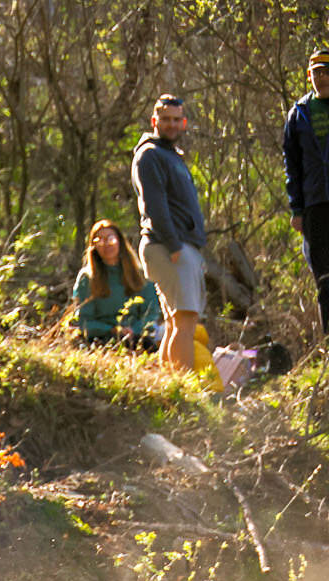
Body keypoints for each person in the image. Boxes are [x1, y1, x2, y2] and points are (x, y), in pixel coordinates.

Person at [133, 94, 208, 374]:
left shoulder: (170, 155)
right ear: (154, 121)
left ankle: (169, 383)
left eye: (177, 119)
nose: (172, 124)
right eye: (166, 119)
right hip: (168, 245)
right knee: (186, 322)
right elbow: (154, 205)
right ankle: (184, 388)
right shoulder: (150, 155)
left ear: (184, 122)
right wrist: (174, 245)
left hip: (176, 245)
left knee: (176, 322)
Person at [283, 50, 329, 333]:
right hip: (315, 205)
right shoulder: (298, 114)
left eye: (326, 71)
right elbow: (292, 165)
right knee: (324, 277)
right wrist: (296, 209)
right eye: (316, 73)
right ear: (308, 76)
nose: (321, 77)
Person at [73, 219, 158, 349]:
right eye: (99, 241)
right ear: (93, 247)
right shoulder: (87, 277)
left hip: (137, 336)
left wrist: (134, 330)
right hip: (101, 339)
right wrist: (112, 330)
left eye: (110, 239)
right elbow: (83, 320)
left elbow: (152, 312)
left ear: (120, 242)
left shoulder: (140, 274)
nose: (106, 245)